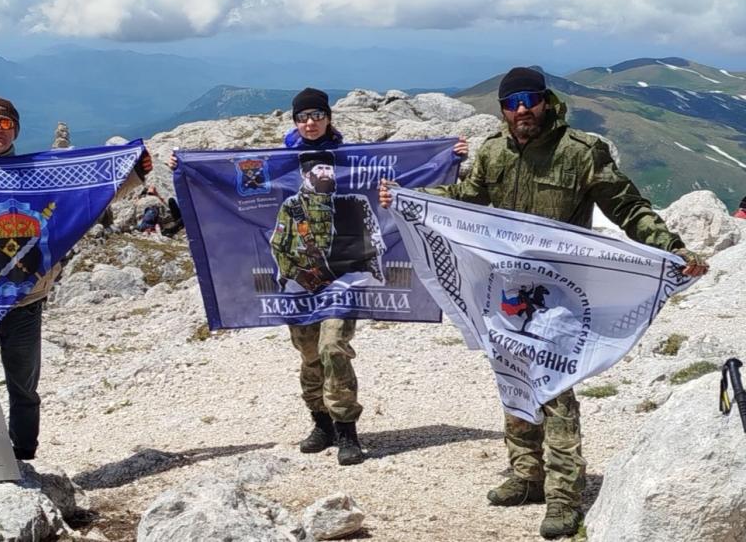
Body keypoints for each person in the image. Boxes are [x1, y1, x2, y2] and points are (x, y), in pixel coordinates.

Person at [379, 67, 708, 538]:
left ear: (546, 101)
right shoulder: (493, 152)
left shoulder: (580, 153)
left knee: (554, 387)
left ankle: (563, 497)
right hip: (507, 289)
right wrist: (411, 199)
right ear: (502, 110)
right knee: (512, 378)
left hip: (562, 294)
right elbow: (465, 200)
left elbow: (628, 207)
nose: (521, 111)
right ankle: (527, 475)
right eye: (512, 104)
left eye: (529, 100)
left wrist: (671, 249)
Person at [171, 87, 467, 466]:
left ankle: (347, 431)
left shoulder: (352, 159)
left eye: (317, 115)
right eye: (303, 117)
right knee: (310, 354)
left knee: (333, 348)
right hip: (300, 282)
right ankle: (320, 423)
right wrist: (186, 167)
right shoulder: (279, 162)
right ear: (295, 121)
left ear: (328, 117)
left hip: (343, 280)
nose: (310, 122)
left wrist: (448, 157)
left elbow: (403, 172)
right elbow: (235, 192)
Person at [0, 95, 152, 460]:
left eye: (5, 124)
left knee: (24, 386)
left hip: (27, 300)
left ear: (15, 129)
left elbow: (84, 196)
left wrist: (134, 171)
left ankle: (22, 457)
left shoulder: (38, 172)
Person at [270, 149, 385, 293]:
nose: (325, 173)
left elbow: (372, 249)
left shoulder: (352, 204)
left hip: (344, 284)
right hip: (302, 284)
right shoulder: (292, 205)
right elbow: (277, 247)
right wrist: (297, 275)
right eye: (320, 168)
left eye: (328, 169)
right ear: (306, 174)